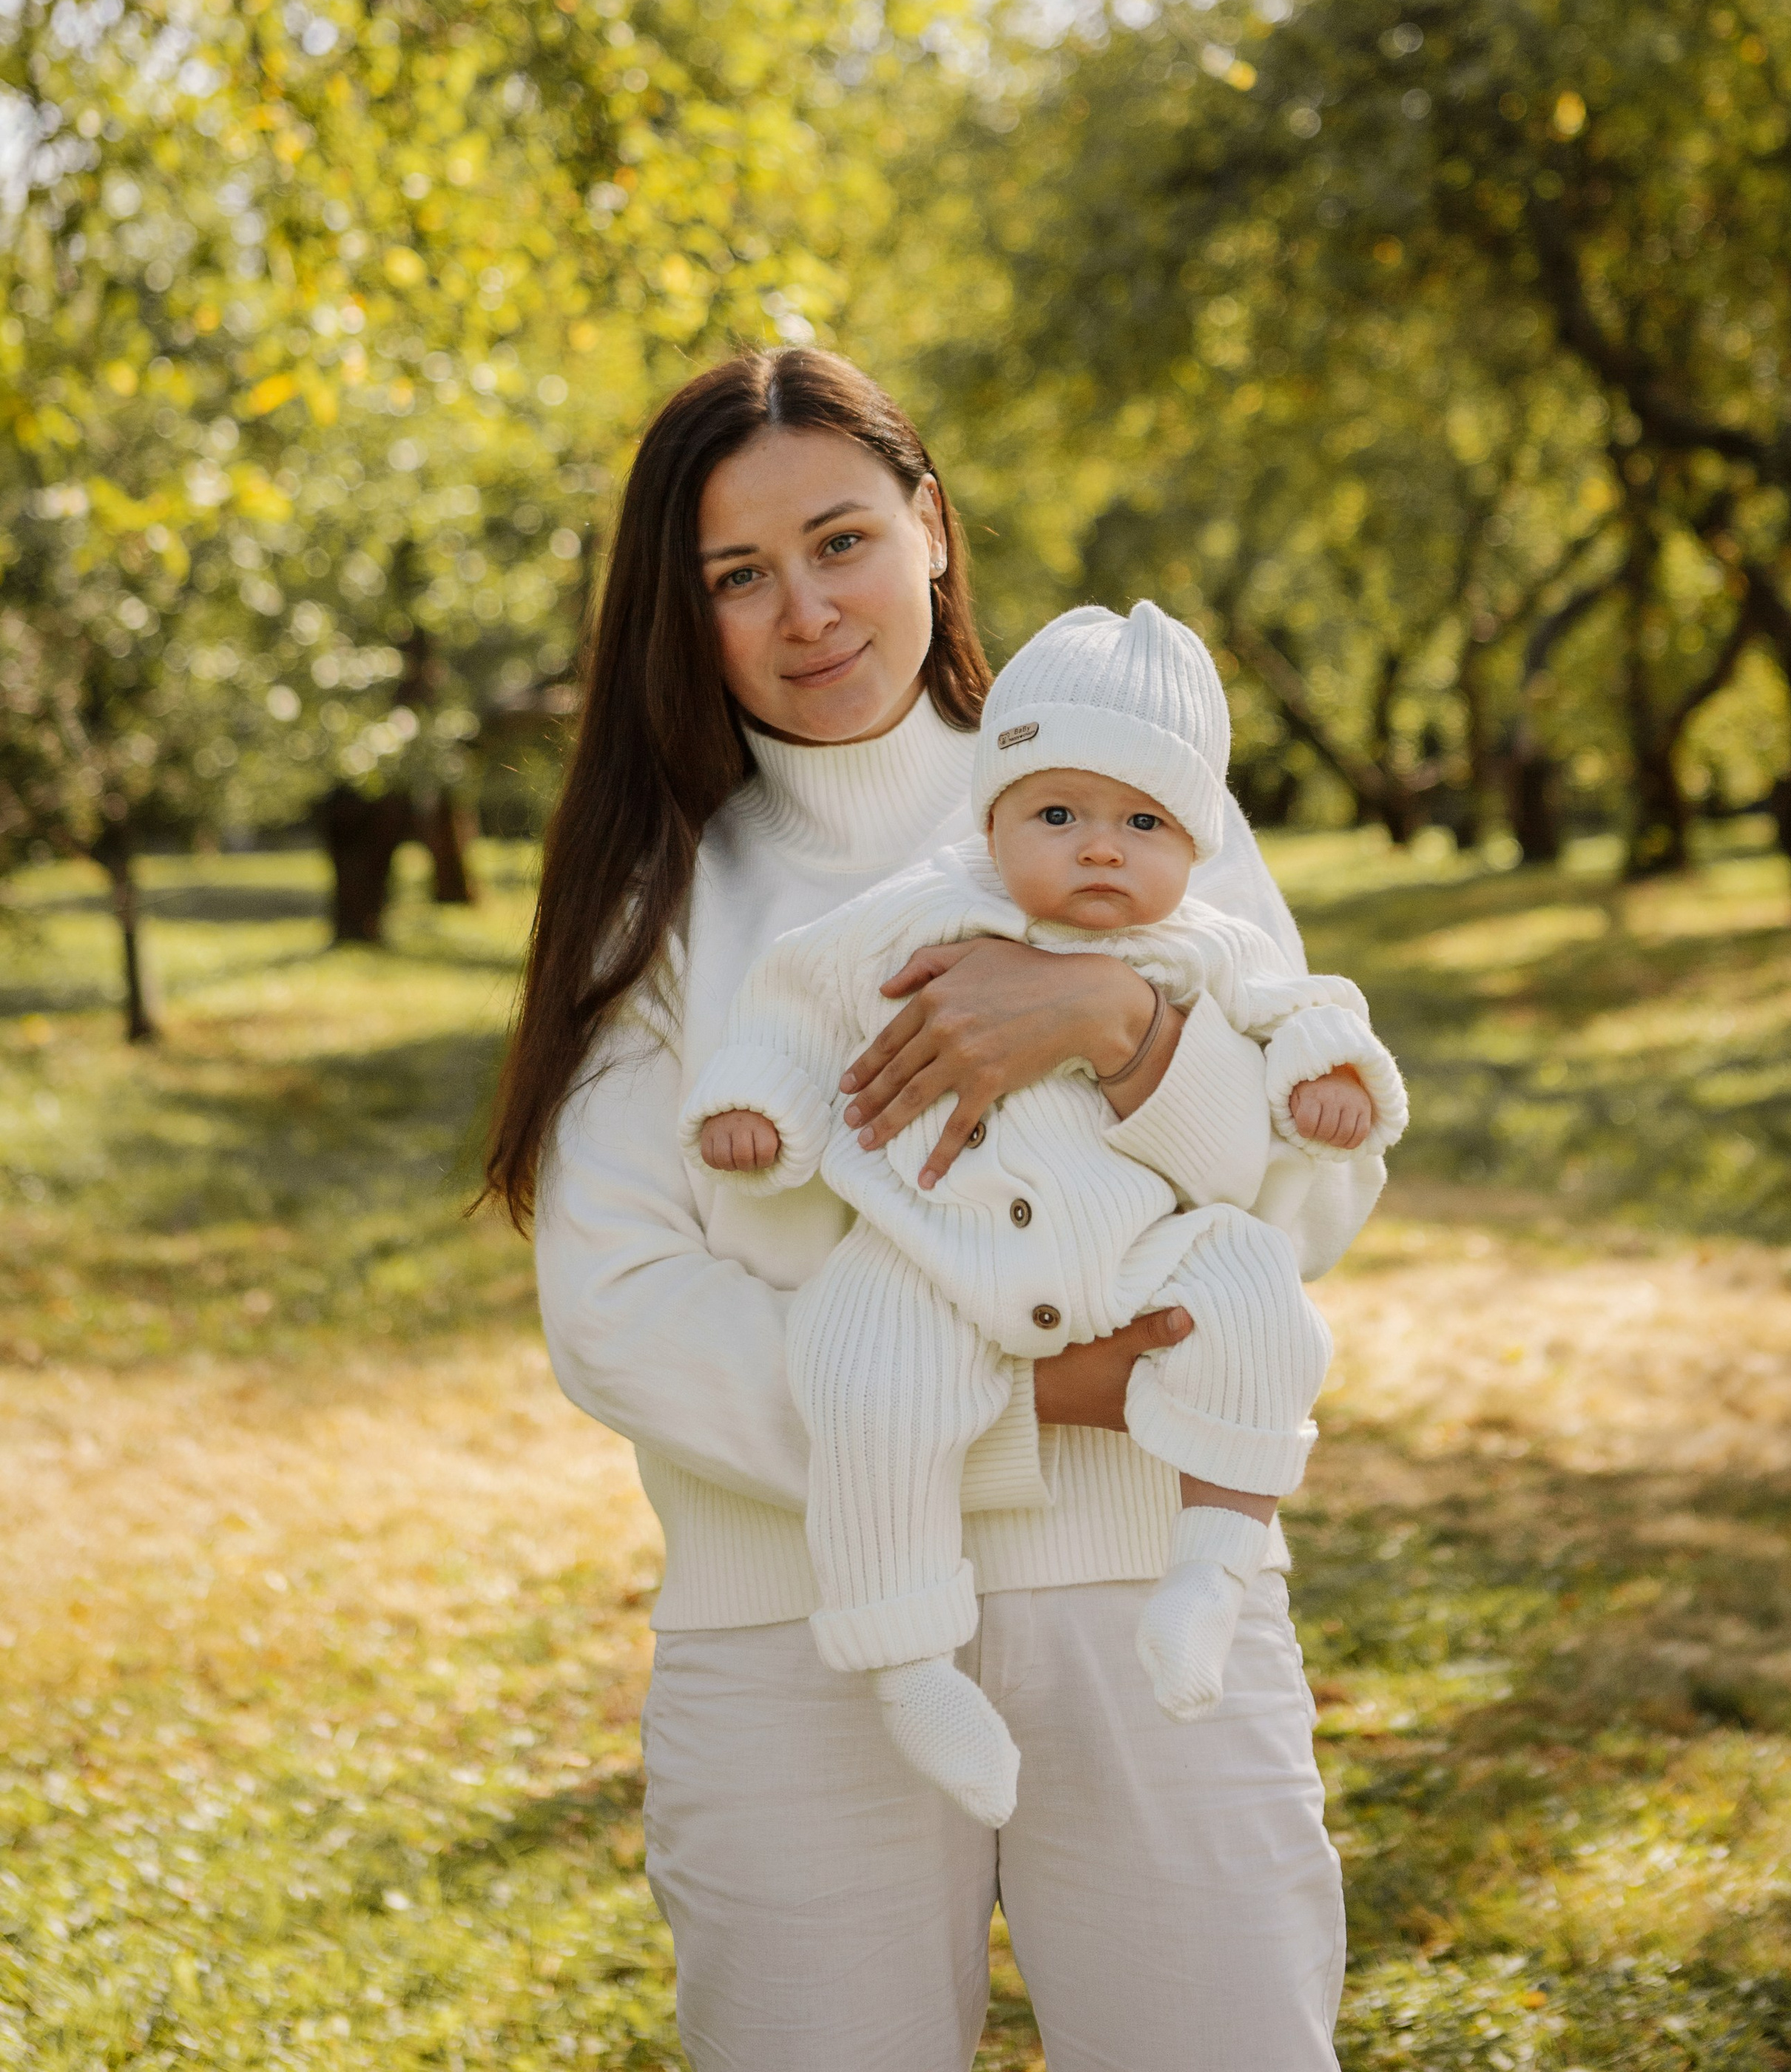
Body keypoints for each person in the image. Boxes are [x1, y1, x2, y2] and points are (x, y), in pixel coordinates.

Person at [485, 347, 1391, 2072]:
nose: (804, 611)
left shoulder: (1124, 803)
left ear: (931, 529)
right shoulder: (659, 892)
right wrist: (1013, 1407)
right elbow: (620, 1312)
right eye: (735, 579)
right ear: (687, 620)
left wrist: (1117, 1028)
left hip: (1145, 1606)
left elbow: (1315, 1180)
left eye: (838, 542)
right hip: (788, 1632)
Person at [684, 599, 1407, 1829]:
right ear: (995, 817)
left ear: (1197, 839)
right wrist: (758, 1102)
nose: (1101, 851)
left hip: (1137, 1252)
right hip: (931, 1254)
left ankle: (1214, 1566)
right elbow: (796, 1005)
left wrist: (1328, 1078)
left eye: (1143, 822)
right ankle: (910, 1658)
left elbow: (1306, 1005)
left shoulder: (1205, 941)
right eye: (1057, 815)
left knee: (1253, 1299)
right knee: (862, 1373)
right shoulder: (922, 911)